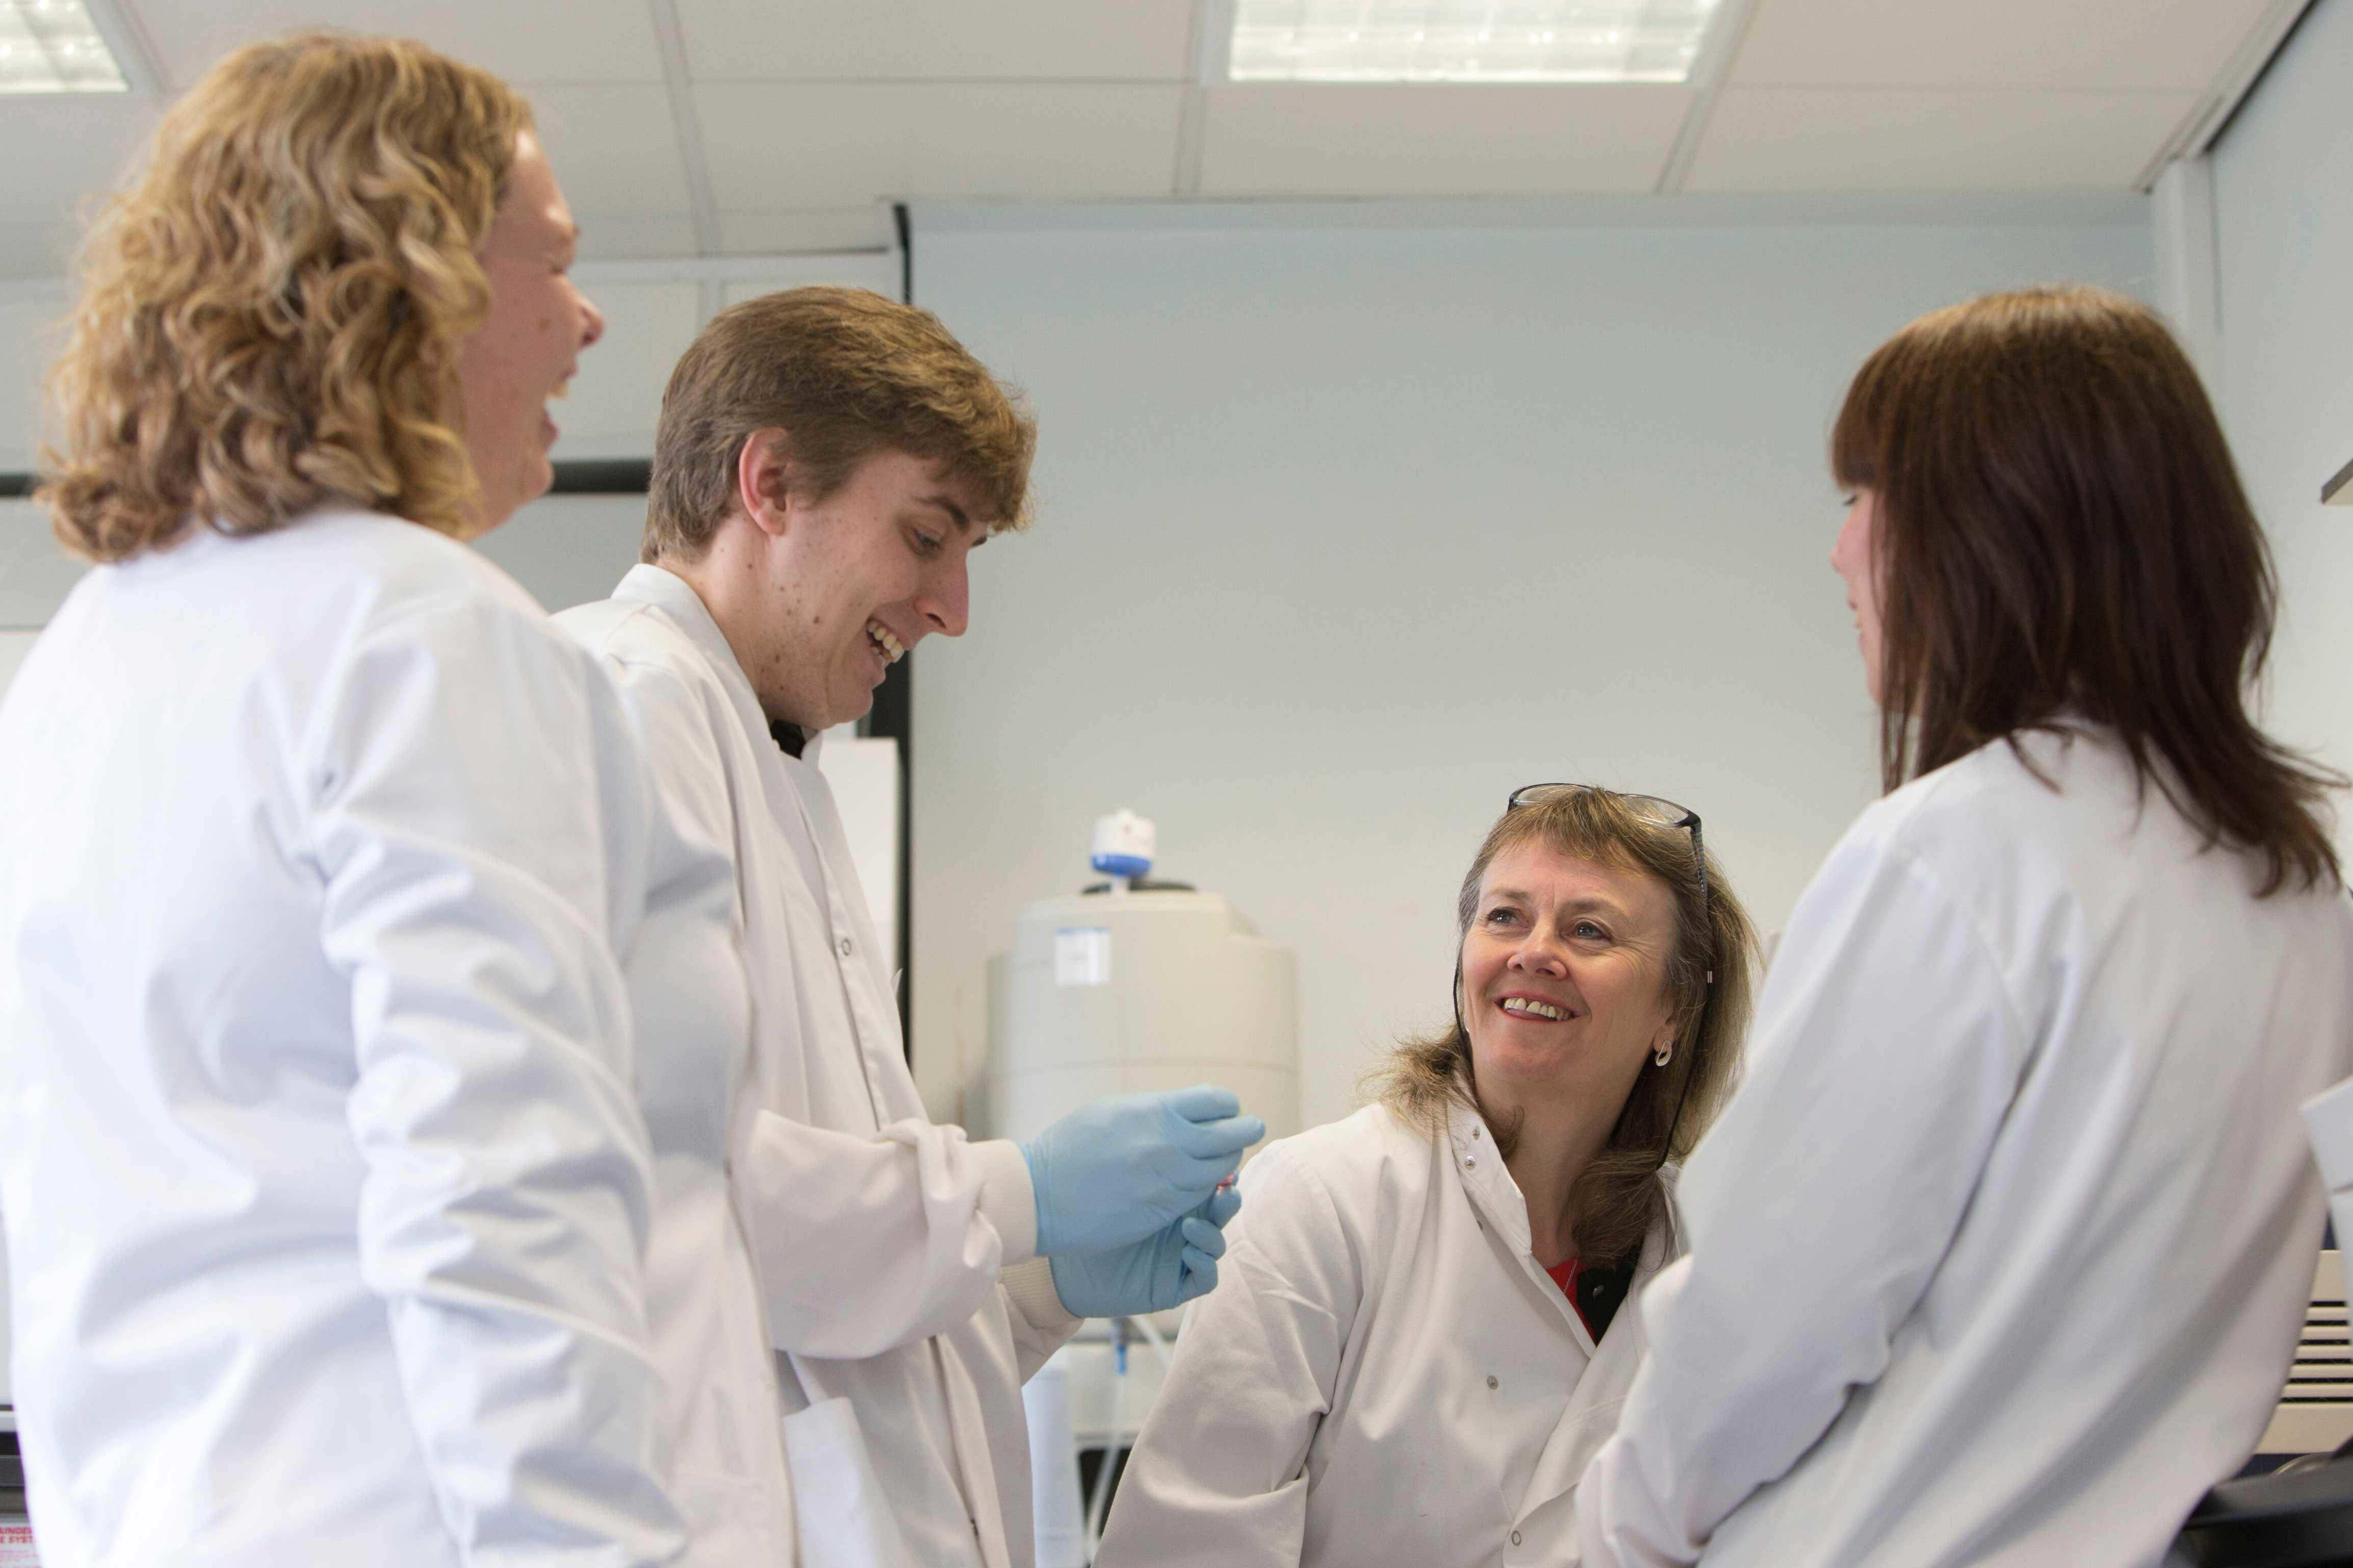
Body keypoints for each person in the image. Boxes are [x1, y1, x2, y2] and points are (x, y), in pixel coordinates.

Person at [0, 33, 771, 1565]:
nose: (588, 316)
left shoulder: (90, 655)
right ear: (402, 284)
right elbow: (502, 1190)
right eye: (548, 261)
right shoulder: (422, 629)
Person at [1576, 286, 2353, 1567]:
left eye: (1864, 498)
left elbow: (1767, 1325)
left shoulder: (1956, 850)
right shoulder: (2291, 887)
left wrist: (1608, 1543)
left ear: (1993, 525)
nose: (1840, 554)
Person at [554, 285, 1264, 1568]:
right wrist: (1021, 1193)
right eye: (927, 537)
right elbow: (680, 1211)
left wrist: (1036, 1285)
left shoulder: (784, 769)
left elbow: (839, 1310)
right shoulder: (621, 710)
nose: (952, 609)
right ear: (769, 484)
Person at [1095, 784, 1757, 1567]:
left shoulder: (1704, 1251)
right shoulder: (1325, 1199)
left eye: (1589, 929)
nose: (1534, 951)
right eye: (1505, 916)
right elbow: (1185, 1547)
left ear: (1673, 1010)